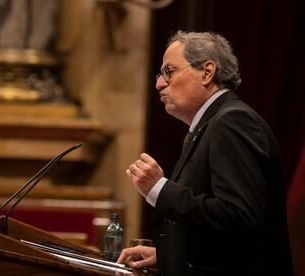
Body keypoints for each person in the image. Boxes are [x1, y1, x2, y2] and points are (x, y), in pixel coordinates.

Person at [117, 31, 293, 276]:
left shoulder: (232, 121)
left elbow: (238, 218)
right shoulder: (213, 123)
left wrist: (159, 189)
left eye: (169, 71)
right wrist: (168, 255)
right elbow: (220, 235)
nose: (159, 83)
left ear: (207, 72)